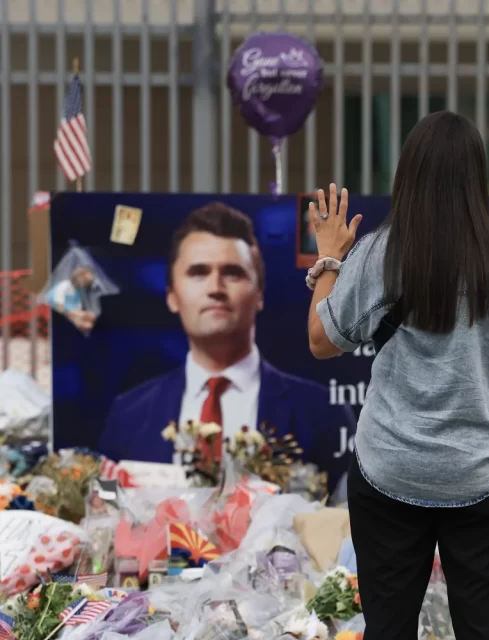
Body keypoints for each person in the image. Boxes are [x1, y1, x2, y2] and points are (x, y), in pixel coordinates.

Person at [306, 110, 489, 640]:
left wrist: (330, 259)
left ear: (406, 176)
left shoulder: (377, 255)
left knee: (387, 636)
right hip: (487, 479)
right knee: (481, 639)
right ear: (477, 180)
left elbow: (320, 340)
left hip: (388, 472)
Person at [99, 202, 356, 494]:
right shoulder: (128, 414)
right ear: (172, 296)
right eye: (198, 272)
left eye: (232, 272)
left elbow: (344, 524)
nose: (215, 288)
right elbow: (107, 518)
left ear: (259, 293)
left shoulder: (321, 412)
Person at [47, 265, 99, 333]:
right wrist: (64, 309)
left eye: (87, 283)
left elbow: (77, 301)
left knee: (88, 315)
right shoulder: (65, 284)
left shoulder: (78, 290)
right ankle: (80, 321)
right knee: (79, 315)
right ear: (78, 277)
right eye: (85, 281)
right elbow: (59, 295)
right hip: (60, 305)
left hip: (70, 307)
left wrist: (78, 309)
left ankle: (81, 322)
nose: (85, 284)